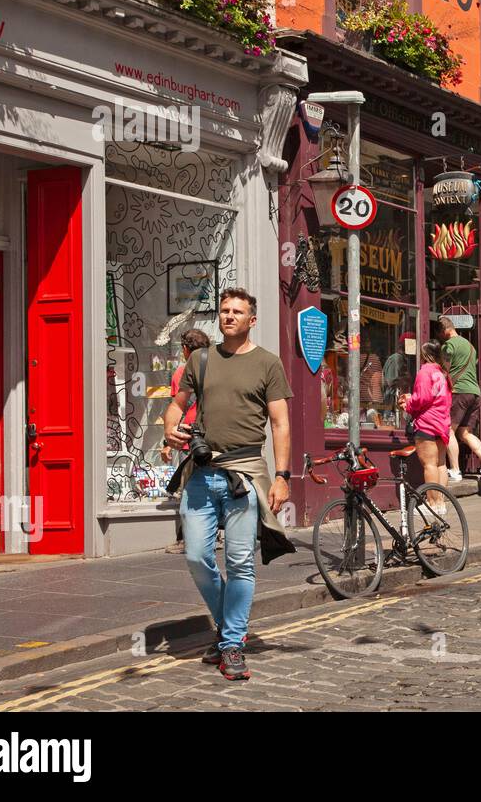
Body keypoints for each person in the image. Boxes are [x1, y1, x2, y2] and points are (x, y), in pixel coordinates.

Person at [163, 288, 294, 681]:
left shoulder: (268, 364)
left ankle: (232, 643)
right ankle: (228, 630)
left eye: (238, 311)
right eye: (224, 311)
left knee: (239, 562)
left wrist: (283, 476)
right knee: (195, 556)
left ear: (252, 320)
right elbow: (176, 403)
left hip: (246, 473)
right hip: (202, 472)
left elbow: (281, 423)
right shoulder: (200, 360)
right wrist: (170, 428)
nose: (229, 316)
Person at [160, 328, 212, 554]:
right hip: (212, 435)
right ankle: (214, 535)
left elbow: (177, 409)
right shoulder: (216, 369)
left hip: (188, 437)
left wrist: (167, 441)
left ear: (184, 350)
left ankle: (186, 539)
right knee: (212, 486)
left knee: (188, 489)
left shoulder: (182, 372)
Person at [437, 318, 481, 486]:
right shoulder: (470, 346)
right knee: (465, 433)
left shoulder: (449, 346)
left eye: (440, 333)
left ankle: (455, 470)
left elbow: (445, 371)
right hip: (474, 392)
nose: (440, 337)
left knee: (448, 431)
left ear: (444, 331)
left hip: (459, 391)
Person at [399, 339, 452, 516]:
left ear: (424, 356)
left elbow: (422, 398)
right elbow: (437, 397)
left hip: (427, 423)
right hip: (442, 422)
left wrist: (407, 404)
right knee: (441, 464)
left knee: (429, 464)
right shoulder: (442, 373)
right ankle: (441, 503)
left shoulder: (425, 371)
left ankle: (431, 503)